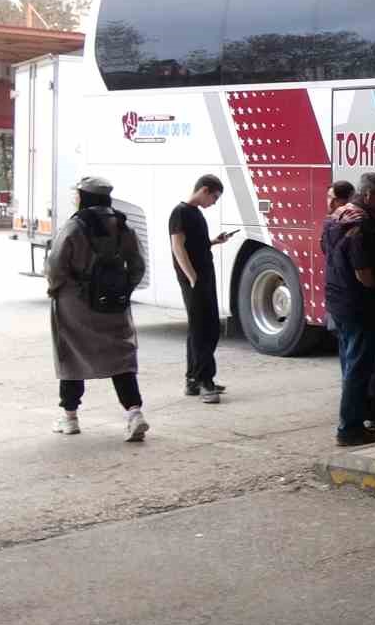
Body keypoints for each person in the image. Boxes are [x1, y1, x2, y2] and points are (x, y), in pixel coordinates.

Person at [47, 176, 151, 442]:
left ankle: (69, 417)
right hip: (114, 302)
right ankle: (134, 413)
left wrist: (55, 289)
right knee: (121, 355)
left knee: (71, 354)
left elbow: (56, 265)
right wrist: (124, 289)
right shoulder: (123, 226)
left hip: (75, 304)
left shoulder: (74, 227)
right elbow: (138, 266)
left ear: (85, 197)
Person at [323, 173, 375, 446]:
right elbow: (364, 272)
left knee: (349, 363)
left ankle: (355, 419)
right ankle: (349, 427)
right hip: (359, 305)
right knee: (359, 367)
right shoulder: (361, 225)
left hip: (337, 301)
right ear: (368, 196)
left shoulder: (336, 215)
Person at [170, 174, 235, 404]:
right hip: (194, 279)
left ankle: (193, 379)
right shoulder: (180, 212)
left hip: (204, 276)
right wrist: (192, 276)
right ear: (205, 190)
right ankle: (205, 380)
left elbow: (195, 244)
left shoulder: (195, 213)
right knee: (204, 329)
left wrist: (214, 241)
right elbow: (178, 247)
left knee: (204, 327)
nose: (214, 203)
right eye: (214, 197)